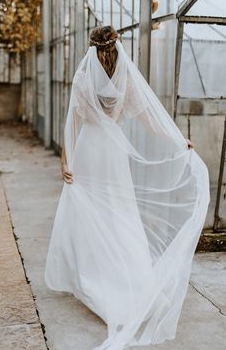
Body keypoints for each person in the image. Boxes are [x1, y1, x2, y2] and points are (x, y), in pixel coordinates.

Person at [45, 26, 210, 350]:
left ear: (92, 49)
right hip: (114, 155)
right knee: (121, 215)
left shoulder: (84, 78)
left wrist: (66, 162)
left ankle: (95, 282)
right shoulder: (125, 76)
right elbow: (149, 118)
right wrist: (178, 140)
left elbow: (72, 123)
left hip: (90, 152)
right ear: (117, 46)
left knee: (93, 217)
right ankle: (131, 283)